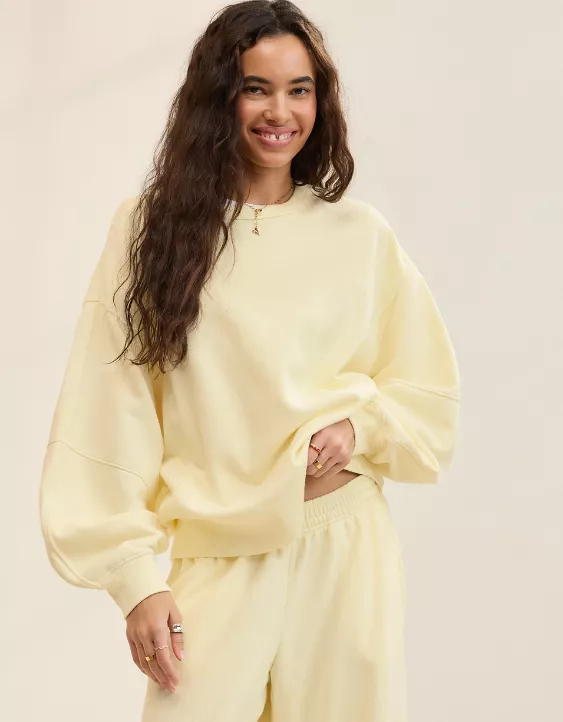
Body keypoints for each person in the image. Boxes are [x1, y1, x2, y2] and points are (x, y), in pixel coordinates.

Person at [39, 1, 460, 720]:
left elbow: (428, 393)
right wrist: (135, 580)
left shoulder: (359, 236)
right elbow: (107, 407)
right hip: (220, 553)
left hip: (344, 547)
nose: (280, 112)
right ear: (218, 97)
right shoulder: (150, 232)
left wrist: (361, 428)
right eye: (255, 88)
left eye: (300, 89)